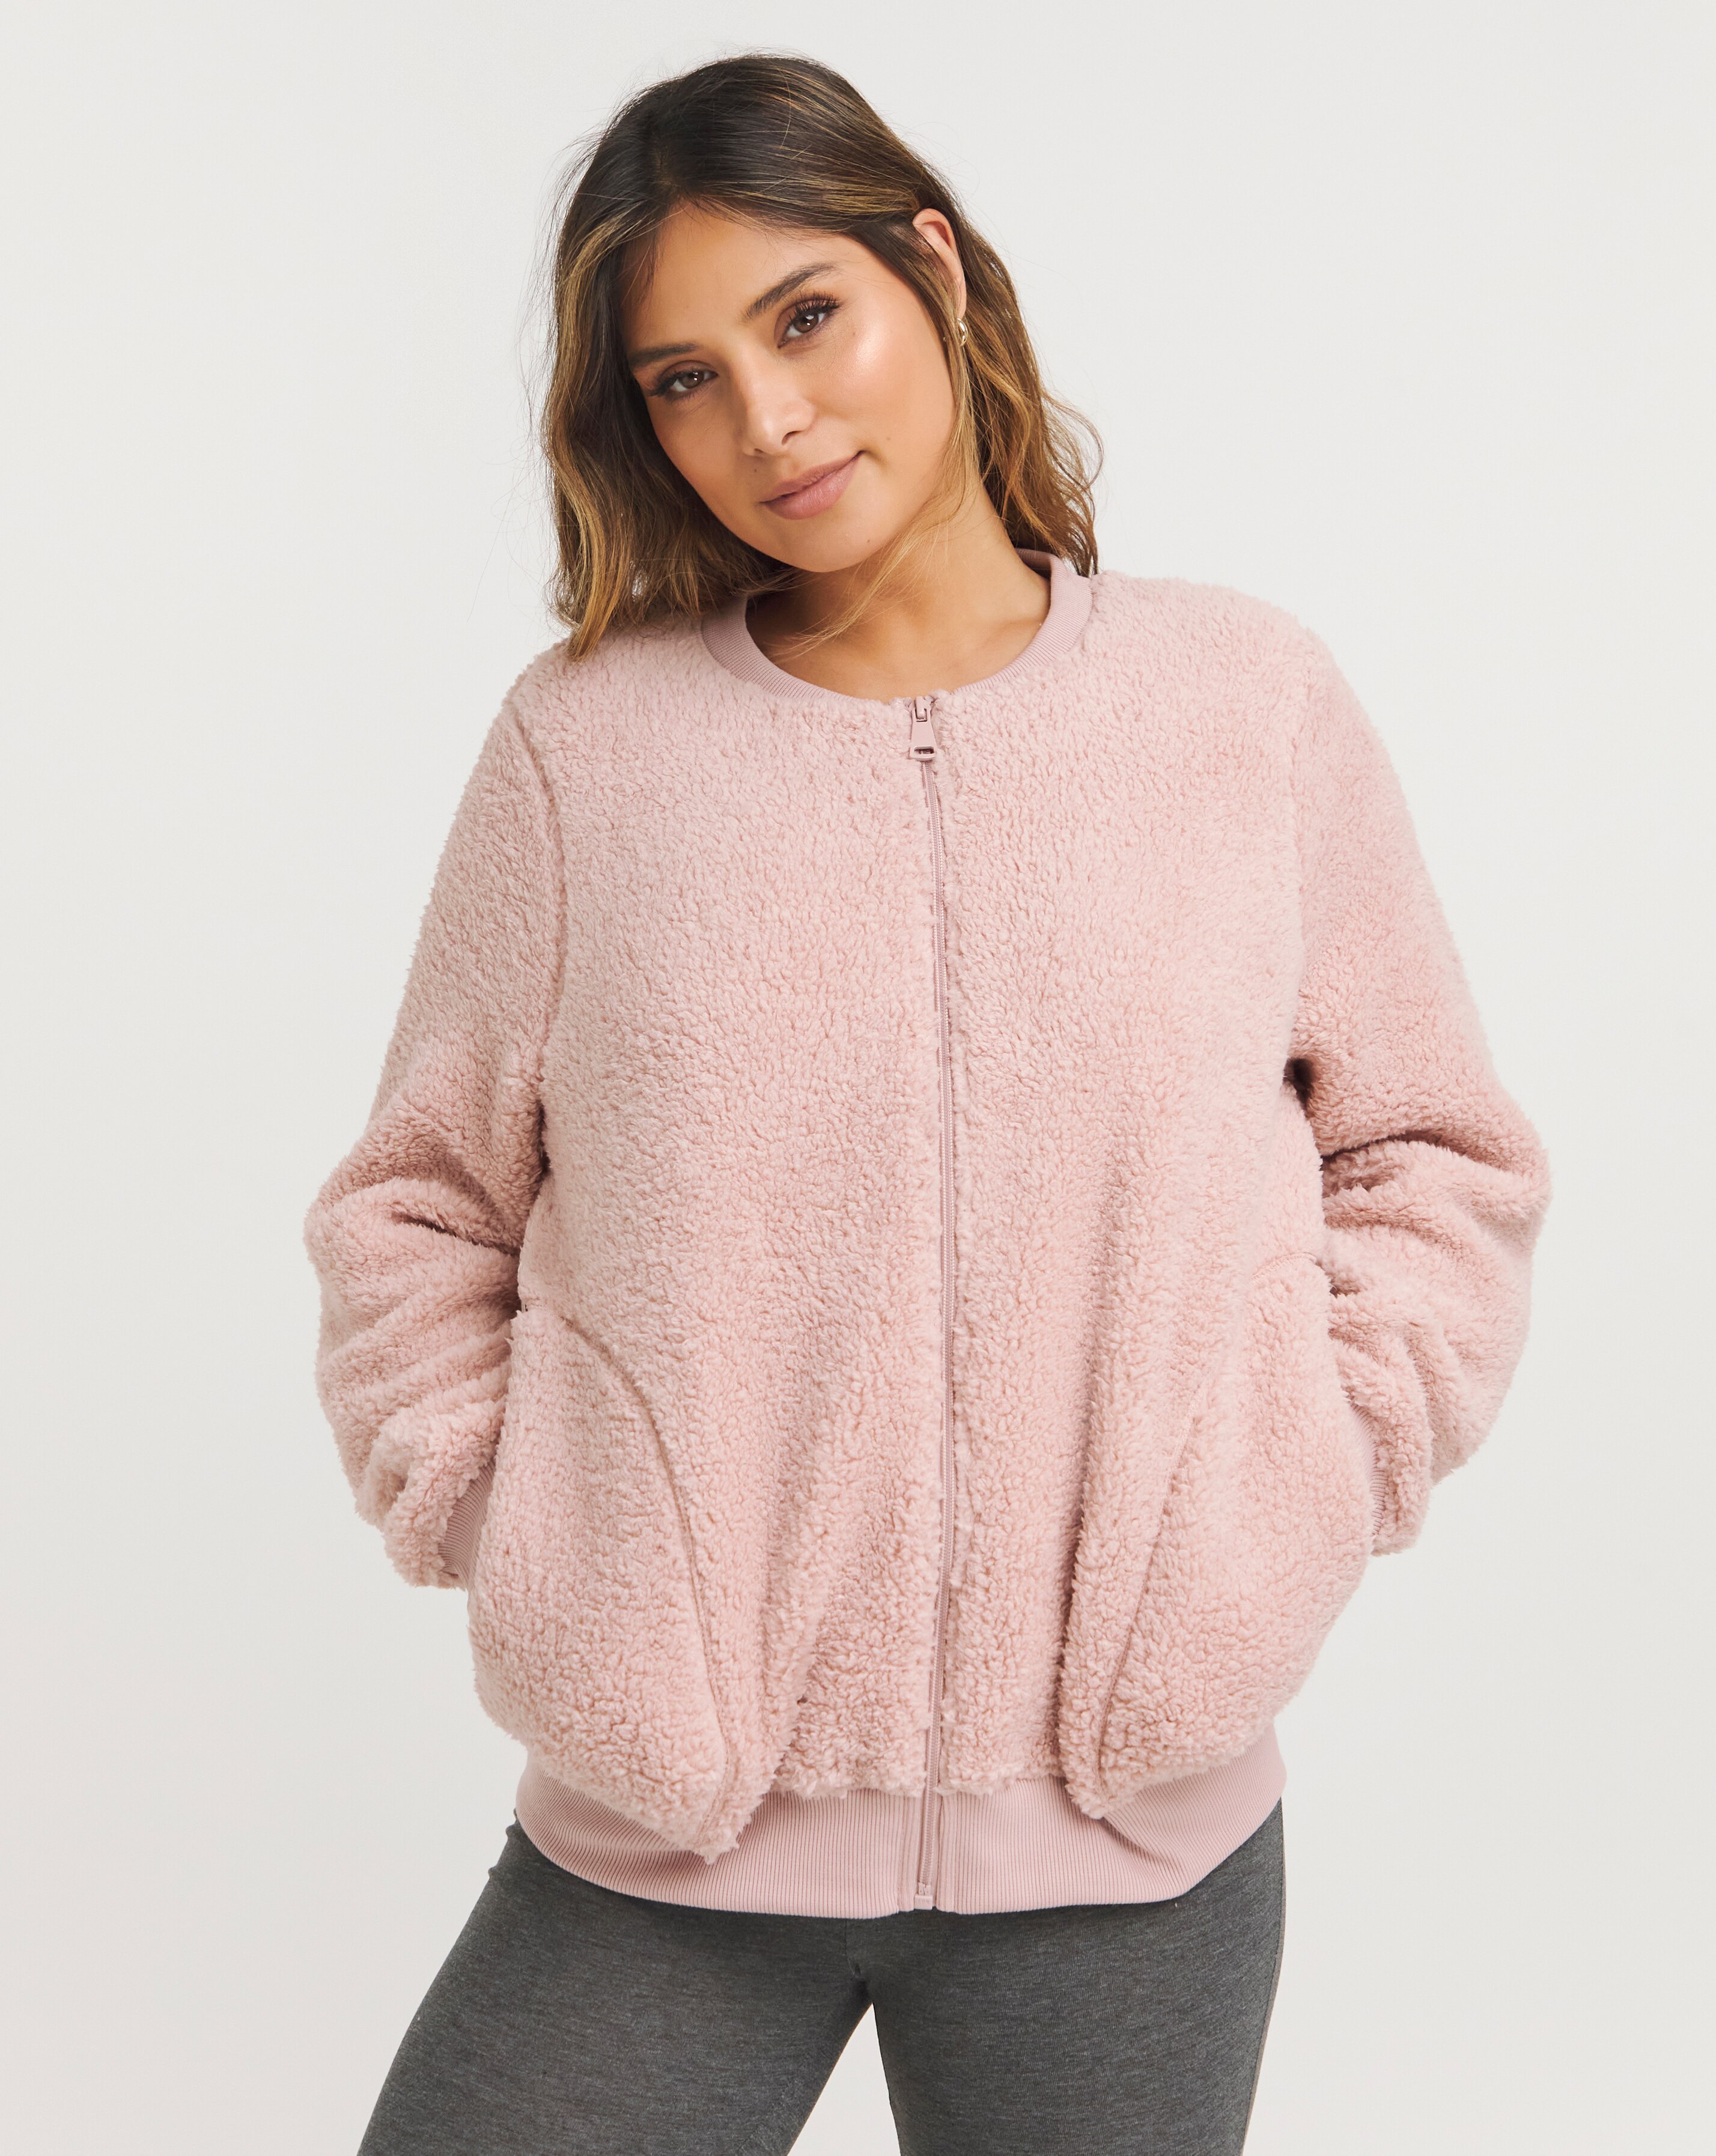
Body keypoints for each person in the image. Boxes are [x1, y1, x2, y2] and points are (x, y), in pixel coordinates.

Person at [305, 52, 1552, 2156]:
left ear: (937, 277)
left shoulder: (1243, 706)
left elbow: (1428, 1152)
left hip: (1134, 1852)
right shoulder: (586, 753)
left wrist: (1297, 1485)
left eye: (807, 318)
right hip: (671, 1831)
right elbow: (416, 1206)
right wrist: (535, 1542)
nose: (771, 420)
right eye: (686, 380)